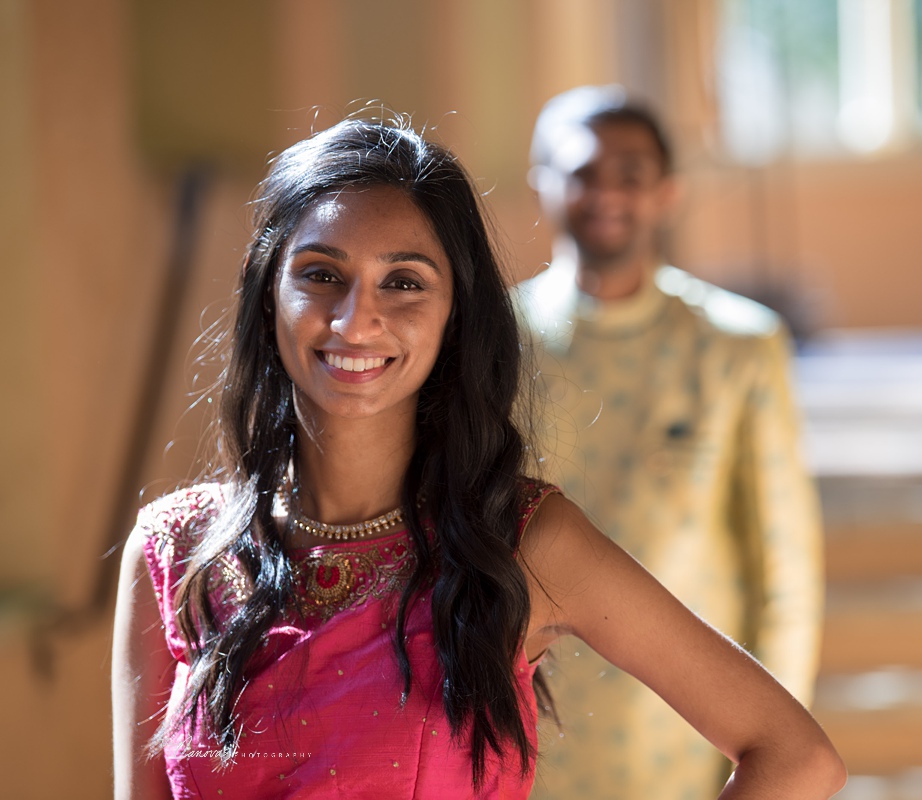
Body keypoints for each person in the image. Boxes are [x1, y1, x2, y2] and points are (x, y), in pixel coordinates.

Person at [110, 115, 845, 799]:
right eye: (321, 273)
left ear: (457, 314)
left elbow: (794, 753)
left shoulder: (522, 541)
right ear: (267, 287)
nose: (354, 318)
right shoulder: (176, 552)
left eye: (403, 282)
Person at [515, 86, 826, 799]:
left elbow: (785, 570)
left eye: (631, 174)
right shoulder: (493, 344)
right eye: (583, 172)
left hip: (685, 740)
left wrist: (769, 746)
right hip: (527, 729)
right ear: (542, 186)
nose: (607, 194)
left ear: (669, 192)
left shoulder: (736, 347)